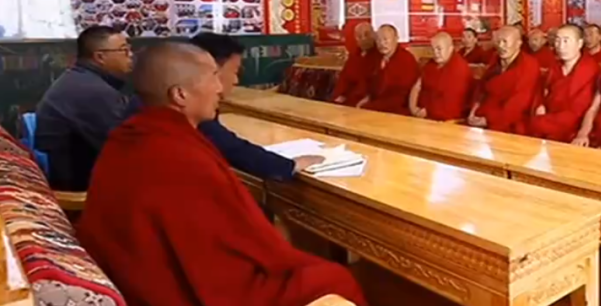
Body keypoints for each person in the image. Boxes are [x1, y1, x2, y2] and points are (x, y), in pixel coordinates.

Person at [78, 43, 366, 306]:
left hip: (129, 274)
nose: (221, 88)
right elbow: (230, 253)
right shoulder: (178, 156)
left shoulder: (131, 136)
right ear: (180, 95)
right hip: (165, 290)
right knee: (332, 278)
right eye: (213, 76)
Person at [187, 33, 323, 179]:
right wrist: (288, 166)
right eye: (235, 71)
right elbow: (231, 147)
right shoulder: (194, 110)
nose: (236, 80)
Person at [35, 26, 133, 191]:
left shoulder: (80, 79)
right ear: (100, 57)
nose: (131, 55)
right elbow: (124, 147)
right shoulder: (93, 92)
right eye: (124, 50)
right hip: (79, 185)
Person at [526, 25, 601, 142]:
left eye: (566, 41)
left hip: (573, 125)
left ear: (580, 43)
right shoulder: (555, 66)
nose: (560, 46)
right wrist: (541, 105)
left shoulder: (589, 69)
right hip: (550, 118)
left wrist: (542, 121)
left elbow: (579, 111)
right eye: (557, 40)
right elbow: (542, 93)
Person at [469, 26, 542, 133]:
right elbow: (481, 89)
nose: (501, 46)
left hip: (510, 121)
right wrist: (473, 110)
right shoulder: (495, 59)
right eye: (498, 42)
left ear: (518, 43)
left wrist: (488, 120)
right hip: (483, 114)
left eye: (505, 42)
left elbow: (519, 103)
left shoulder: (529, 65)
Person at [409, 32, 473, 121]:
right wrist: (413, 108)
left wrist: (427, 111)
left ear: (450, 48)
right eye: (433, 49)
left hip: (446, 120)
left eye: (439, 49)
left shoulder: (459, 68)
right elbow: (417, 86)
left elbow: (451, 103)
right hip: (422, 114)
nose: (435, 53)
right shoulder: (431, 64)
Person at [358, 25, 419, 114]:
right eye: (378, 40)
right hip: (377, 103)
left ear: (396, 39)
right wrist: (367, 98)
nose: (382, 44)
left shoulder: (406, 59)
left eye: (385, 39)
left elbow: (402, 94)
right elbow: (369, 83)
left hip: (398, 106)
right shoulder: (375, 57)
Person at [331, 22, 379, 106]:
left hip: (367, 99)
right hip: (350, 98)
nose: (364, 38)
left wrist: (368, 98)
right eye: (359, 36)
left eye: (367, 34)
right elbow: (344, 78)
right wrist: (341, 95)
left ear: (374, 35)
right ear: (356, 38)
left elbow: (378, 84)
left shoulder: (380, 55)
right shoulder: (354, 56)